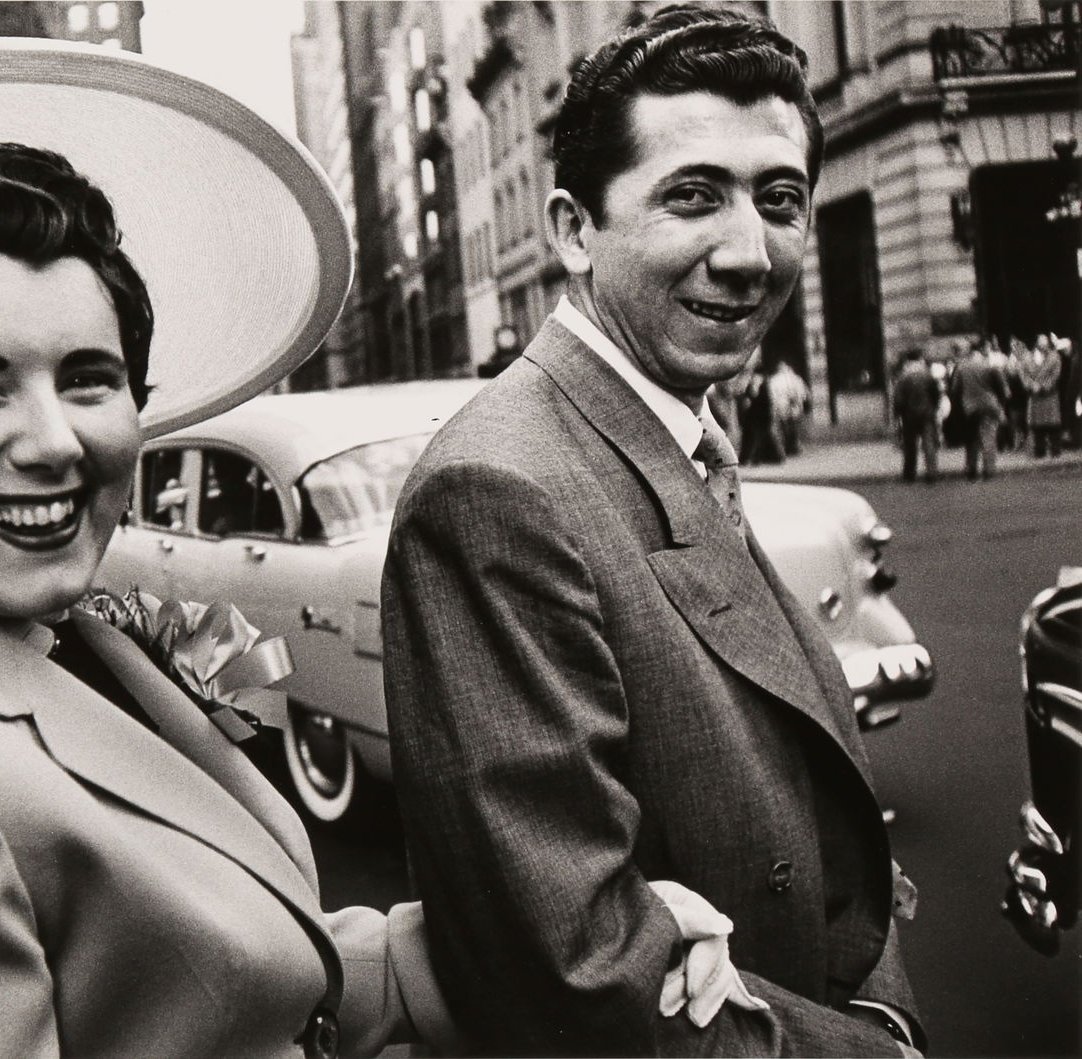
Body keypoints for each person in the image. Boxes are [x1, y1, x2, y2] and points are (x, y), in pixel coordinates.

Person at [0, 40, 750, 1058]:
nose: (55, 441)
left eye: (90, 378)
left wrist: (589, 942)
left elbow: (268, 981)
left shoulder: (82, 637)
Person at [382, 8, 922, 1056]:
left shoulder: (675, 431)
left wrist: (886, 996)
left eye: (779, 199)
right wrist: (878, 1049)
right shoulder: (498, 491)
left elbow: (826, 829)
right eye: (692, 196)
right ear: (572, 230)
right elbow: (580, 982)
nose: (748, 252)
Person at [952, 340, 1010, 480]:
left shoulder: (961, 367)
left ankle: (971, 470)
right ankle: (988, 471)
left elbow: (955, 390)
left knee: (971, 439)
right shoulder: (990, 366)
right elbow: (1005, 390)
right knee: (988, 438)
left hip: (970, 408)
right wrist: (1001, 403)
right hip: (989, 405)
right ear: (981, 351)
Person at [893, 350, 941, 483]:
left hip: (909, 415)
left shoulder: (903, 377)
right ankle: (931, 472)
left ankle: (909, 473)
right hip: (927, 413)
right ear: (920, 359)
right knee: (928, 443)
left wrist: (897, 414)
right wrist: (935, 407)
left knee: (910, 445)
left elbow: (898, 399)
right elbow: (936, 394)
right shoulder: (928, 375)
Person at [1020, 334, 1065, 458]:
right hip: (1035, 396)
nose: (1043, 345)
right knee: (1038, 425)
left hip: (1049, 394)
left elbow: (1056, 374)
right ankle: (1040, 451)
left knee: (1053, 425)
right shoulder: (1027, 358)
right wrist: (1031, 385)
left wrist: (1044, 386)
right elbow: (1023, 374)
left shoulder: (1054, 357)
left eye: (1045, 342)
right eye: (1041, 342)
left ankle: (1056, 451)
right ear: (1036, 343)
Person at [766, 358, 810, 456]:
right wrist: (801, 401)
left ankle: (790, 446)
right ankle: (792, 446)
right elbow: (804, 392)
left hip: (784, 405)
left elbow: (772, 395)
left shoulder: (775, 380)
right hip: (790, 405)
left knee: (786, 427)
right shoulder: (795, 378)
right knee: (792, 427)